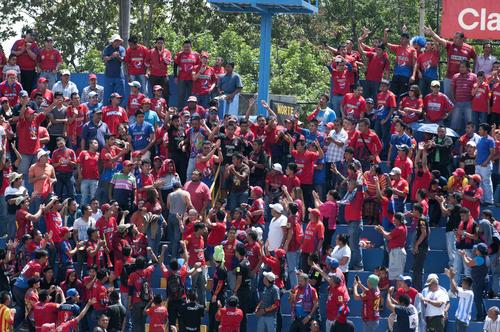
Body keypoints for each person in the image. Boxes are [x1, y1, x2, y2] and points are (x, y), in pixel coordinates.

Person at [424, 28, 476, 100]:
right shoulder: (450, 45)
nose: (454, 39)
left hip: (463, 79)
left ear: (462, 39)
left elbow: (476, 59)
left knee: (461, 99)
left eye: (457, 38)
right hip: (449, 77)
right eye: (454, 37)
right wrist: (432, 33)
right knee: (448, 98)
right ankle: (449, 111)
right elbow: (439, 40)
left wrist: (473, 71)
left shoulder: (469, 48)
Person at [460, 243, 489, 321]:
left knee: (477, 299)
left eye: (476, 249)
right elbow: (473, 261)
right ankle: (484, 314)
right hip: (483, 280)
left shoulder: (479, 259)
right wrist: (466, 256)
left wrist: (463, 256)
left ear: (479, 251)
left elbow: (468, 264)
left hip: (478, 282)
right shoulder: (483, 257)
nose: (475, 250)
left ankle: (480, 317)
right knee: (479, 299)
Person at [444, 268, 473, 332]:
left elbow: (454, 290)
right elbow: (454, 288)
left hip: (463, 321)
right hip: (458, 319)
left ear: (467, 285)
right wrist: (450, 276)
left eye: (463, 284)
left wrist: (451, 277)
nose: (462, 285)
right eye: (462, 283)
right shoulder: (463, 290)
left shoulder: (469, 293)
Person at [10, 29, 38, 93]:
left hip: (30, 71)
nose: (32, 37)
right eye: (31, 35)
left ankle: (26, 102)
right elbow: (12, 52)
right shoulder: (18, 42)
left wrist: (28, 50)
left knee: (28, 89)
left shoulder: (34, 45)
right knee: (17, 87)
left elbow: (35, 57)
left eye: (34, 35)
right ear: (26, 34)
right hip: (18, 70)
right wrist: (20, 52)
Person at [102, 34, 126, 105]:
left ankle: (120, 110)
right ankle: (107, 110)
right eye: (116, 41)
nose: (117, 43)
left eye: (118, 41)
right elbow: (104, 59)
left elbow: (123, 59)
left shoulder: (122, 49)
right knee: (108, 95)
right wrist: (112, 56)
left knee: (120, 95)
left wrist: (118, 56)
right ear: (112, 42)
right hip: (109, 76)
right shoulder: (107, 48)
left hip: (119, 76)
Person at [476, 123, 495, 207]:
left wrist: (486, 162)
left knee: (486, 182)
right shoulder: (480, 139)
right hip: (478, 164)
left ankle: (489, 200)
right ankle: (481, 199)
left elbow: (492, 153)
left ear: (485, 131)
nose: (479, 131)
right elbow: (478, 151)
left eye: (480, 129)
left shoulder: (490, 140)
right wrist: (476, 160)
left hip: (485, 165)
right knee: (479, 182)